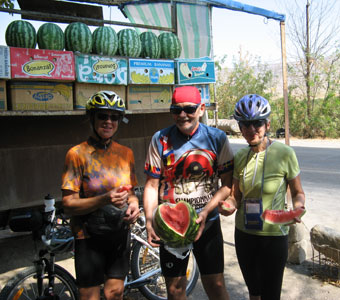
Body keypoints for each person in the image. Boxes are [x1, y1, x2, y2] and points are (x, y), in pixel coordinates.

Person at [143, 86, 234, 300]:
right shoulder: (160, 139)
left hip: (208, 222)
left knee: (216, 285)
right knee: (175, 291)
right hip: (170, 229)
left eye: (189, 109)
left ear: (201, 109)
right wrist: (149, 220)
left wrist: (207, 211)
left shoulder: (217, 138)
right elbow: (151, 186)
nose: (183, 115)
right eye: (176, 110)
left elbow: (227, 185)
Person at [220, 94, 306, 300]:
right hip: (244, 234)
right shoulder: (240, 157)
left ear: (267, 124)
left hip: (273, 236)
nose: (251, 130)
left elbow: (297, 192)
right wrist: (228, 206)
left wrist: (298, 207)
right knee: (254, 293)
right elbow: (236, 197)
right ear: (239, 127)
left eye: (257, 124)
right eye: (245, 125)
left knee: (270, 295)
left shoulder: (285, 153)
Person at [61, 91, 140, 300]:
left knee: (115, 293)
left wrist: (134, 205)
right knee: (89, 297)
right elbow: (68, 205)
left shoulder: (126, 153)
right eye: (103, 116)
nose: (108, 121)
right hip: (87, 236)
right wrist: (105, 198)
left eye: (114, 117)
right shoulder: (77, 154)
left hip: (119, 234)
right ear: (92, 117)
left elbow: (131, 193)